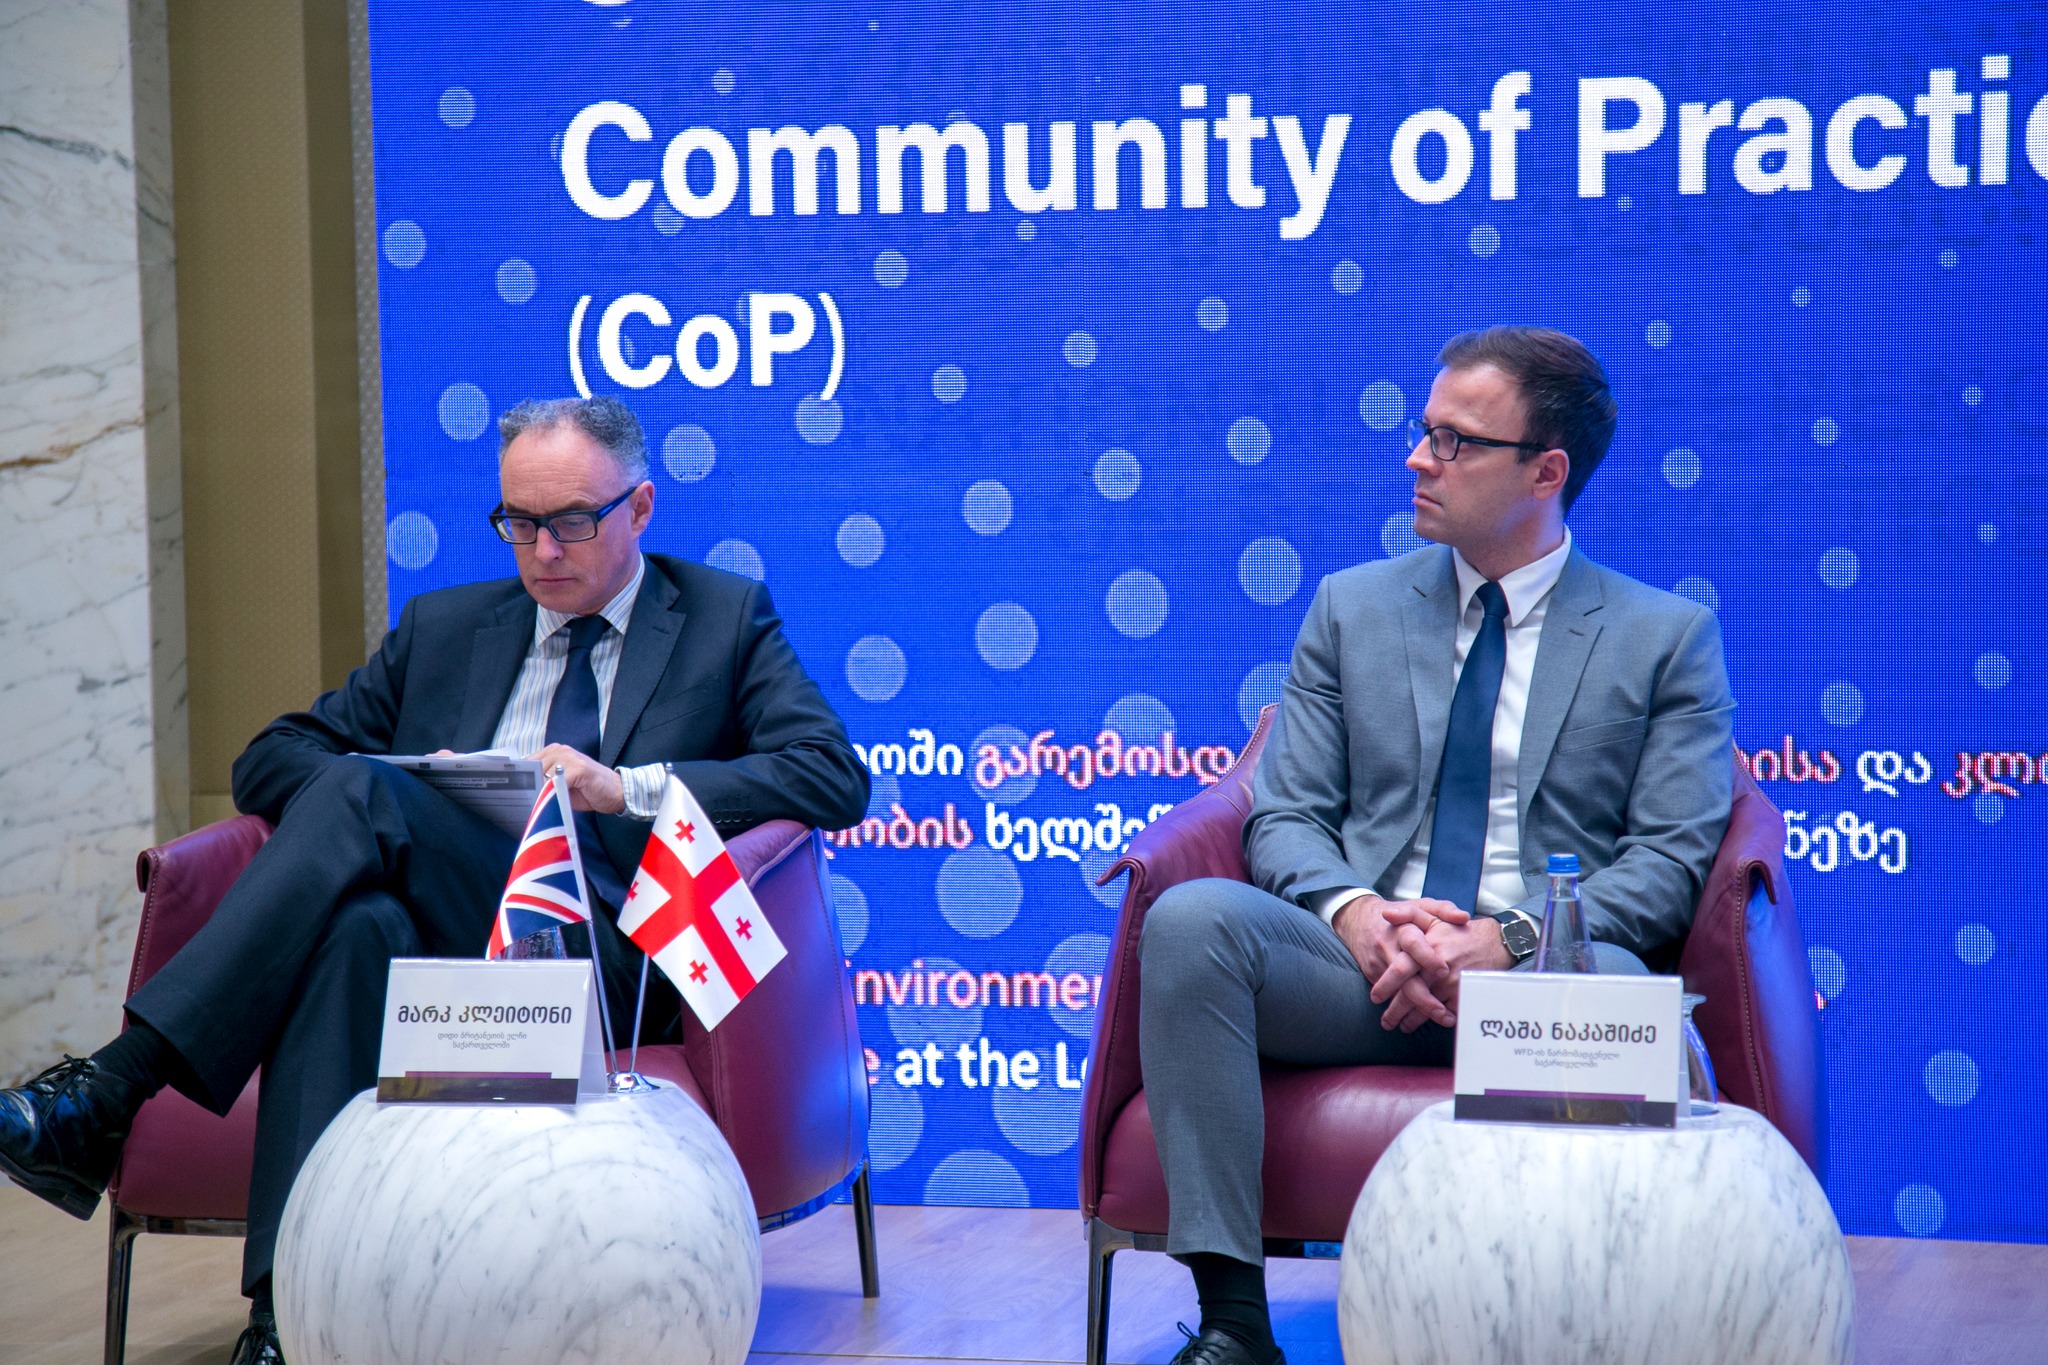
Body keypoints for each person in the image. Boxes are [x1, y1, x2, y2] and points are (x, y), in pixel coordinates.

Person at [0, 396, 868, 1365]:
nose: (543, 551)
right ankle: (289, 1318)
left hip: (600, 952)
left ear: (640, 507)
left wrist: (621, 789)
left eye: (572, 521)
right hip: (432, 942)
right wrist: (424, 789)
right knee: (354, 928)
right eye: (519, 523)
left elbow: (830, 775)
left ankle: (113, 1088)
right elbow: (272, 757)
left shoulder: (720, 617)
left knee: (363, 803)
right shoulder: (448, 626)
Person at [1137, 326, 1735, 1365]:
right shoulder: (1351, 607)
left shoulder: (1662, 638)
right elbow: (1284, 815)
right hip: (1357, 972)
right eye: (1423, 432)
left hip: (1542, 979)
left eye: (1455, 441)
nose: (1419, 459)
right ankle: (1233, 1328)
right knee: (1192, 922)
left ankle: (1579, 1333)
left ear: (1545, 471)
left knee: (1620, 983)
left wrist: (1503, 940)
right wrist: (1363, 917)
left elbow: (1667, 865)